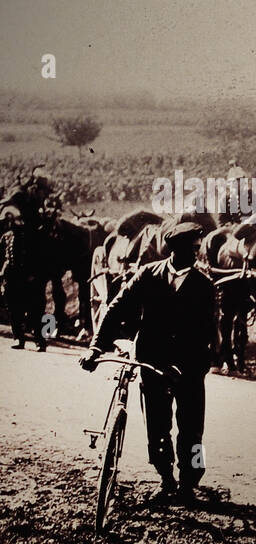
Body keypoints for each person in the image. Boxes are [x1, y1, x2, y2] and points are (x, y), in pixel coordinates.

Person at [80, 221, 218, 503]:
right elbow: (115, 308)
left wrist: (195, 367)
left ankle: (189, 484)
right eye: (192, 249)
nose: (196, 254)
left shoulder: (204, 286)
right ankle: (166, 480)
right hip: (151, 363)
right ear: (175, 250)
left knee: (192, 432)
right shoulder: (147, 275)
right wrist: (96, 347)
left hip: (188, 369)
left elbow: (208, 333)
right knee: (157, 429)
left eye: (197, 248)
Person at [1, 209, 47, 351]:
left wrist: (35, 275)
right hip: (12, 279)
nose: (11, 223)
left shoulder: (33, 236)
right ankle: (19, 339)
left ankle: (40, 340)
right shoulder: (6, 237)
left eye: (13, 220)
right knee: (15, 310)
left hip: (30, 279)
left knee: (36, 312)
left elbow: (41, 257)